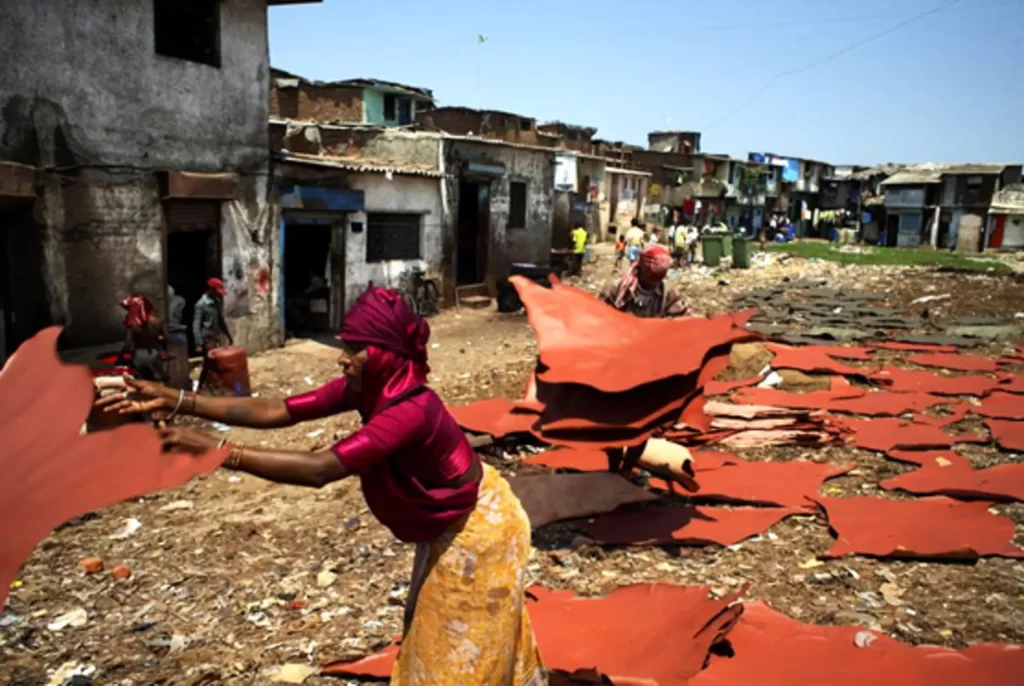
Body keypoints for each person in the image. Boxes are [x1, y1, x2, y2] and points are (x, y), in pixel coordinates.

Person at [99, 286, 545, 685]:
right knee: (442, 634)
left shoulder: (409, 410)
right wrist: (179, 400)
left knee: (455, 651)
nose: (341, 358)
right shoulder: (372, 388)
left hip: (478, 531)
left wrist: (219, 451)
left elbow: (321, 469)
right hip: (453, 520)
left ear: (384, 355)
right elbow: (281, 409)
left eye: (353, 349)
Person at [600, 245, 690, 318]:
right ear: (641, 269)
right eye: (650, 278)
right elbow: (599, 316)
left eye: (658, 279)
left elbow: (683, 319)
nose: (654, 283)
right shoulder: (617, 290)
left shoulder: (666, 293)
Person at [193, 278, 233, 390]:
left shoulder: (216, 302)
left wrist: (228, 335)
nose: (218, 294)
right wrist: (199, 343)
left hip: (215, 336)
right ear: (211, 289)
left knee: (212, 363)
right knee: (210, 363)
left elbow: (220, 321)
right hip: (207, 338)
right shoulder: (201, 305)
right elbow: (196, 324)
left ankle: (210, 386)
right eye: (217, 291)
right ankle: (202, 386)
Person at [118, 294, 169, 383]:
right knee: (158, 382)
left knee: (141, 383)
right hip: (155, 354)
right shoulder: (158, 322)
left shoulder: (133, 324)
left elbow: (128, 345)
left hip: (139, 357)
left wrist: (123, 354)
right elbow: (167, 338)